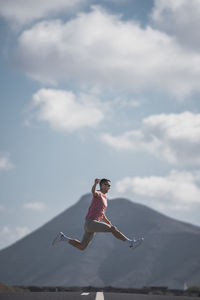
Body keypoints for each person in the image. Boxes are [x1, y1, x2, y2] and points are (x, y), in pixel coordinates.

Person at [52, 178, 144, 250]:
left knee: (82, 247)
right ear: (101, 185)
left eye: (109, 185)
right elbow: (93, 192)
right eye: (106, 185)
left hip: (91, 226)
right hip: (91, 223)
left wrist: (110, 224)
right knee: (112, 230)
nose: (108, 187)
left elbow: (102, 215)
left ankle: (63, 238)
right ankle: (130, 243)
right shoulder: (98, 193)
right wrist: (95, 184)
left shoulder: (105, 199)